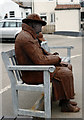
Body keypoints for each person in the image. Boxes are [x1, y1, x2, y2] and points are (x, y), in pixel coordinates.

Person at [15, 14, 80, 112]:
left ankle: (64, 100)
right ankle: (65, 105)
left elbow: (40, 53)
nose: (41, 27)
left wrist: (53, 57)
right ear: (32, 24)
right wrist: (57, 59)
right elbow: (40, 61)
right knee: (64, 73)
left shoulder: (29, 35)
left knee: (68, 66)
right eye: (40, 24)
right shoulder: (26, 38)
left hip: (36, 68)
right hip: (31, 73)